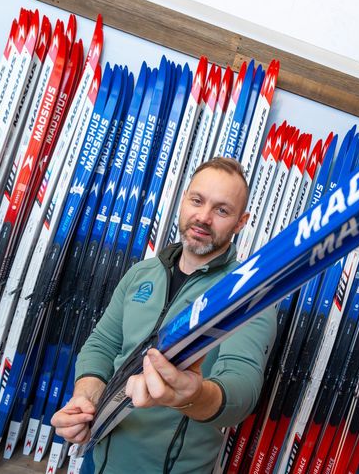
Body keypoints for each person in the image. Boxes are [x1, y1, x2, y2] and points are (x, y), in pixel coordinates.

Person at [52, 157, 276, 473]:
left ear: (241, 222)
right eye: (197, 200)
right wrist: (85, 401)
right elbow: (101, 346)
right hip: (95, 459)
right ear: (183, 198)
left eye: (222, 210)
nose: (203, 217)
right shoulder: (141, 273)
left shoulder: (248, 294)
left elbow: (242, 387)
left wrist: (193, 395)